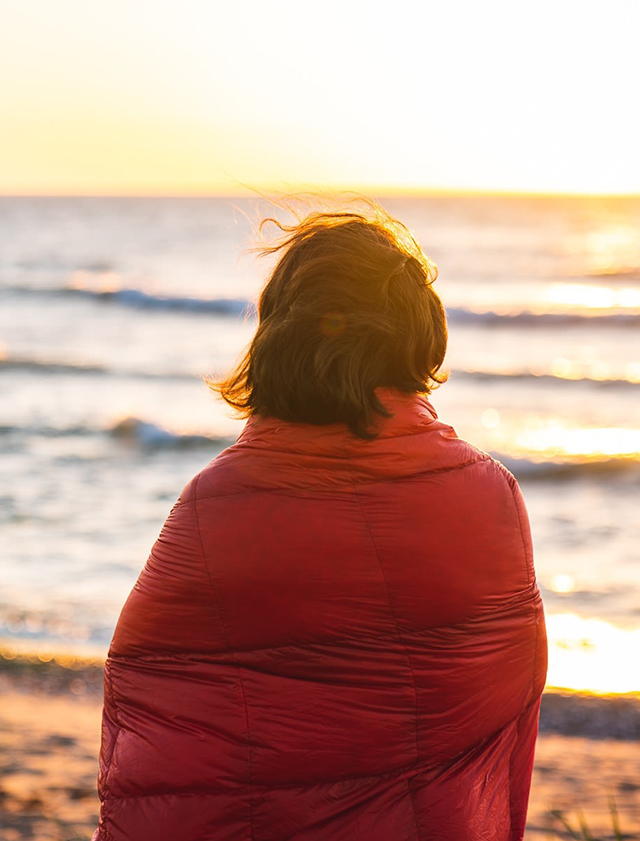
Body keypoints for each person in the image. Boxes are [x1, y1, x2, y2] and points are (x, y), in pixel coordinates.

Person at [92, 200, 547, 841]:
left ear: (279, 331)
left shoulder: (216, 504)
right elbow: (504, 702)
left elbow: (153, 704)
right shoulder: (489, 495)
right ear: (419, 331)